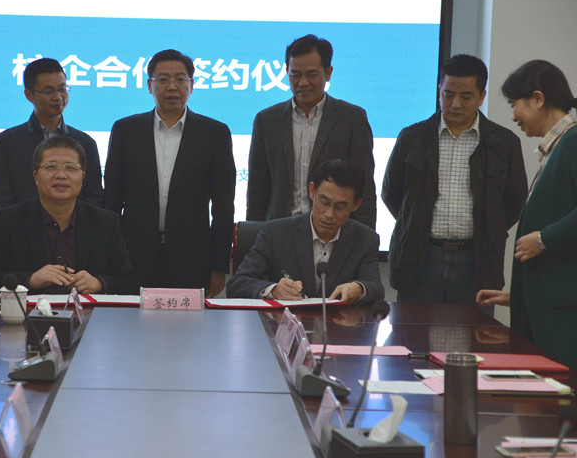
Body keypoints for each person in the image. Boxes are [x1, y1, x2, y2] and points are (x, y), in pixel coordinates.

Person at [382, 54, 527, 309]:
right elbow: (391, 193)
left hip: (477, 260)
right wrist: (416, 223)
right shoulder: (412, 137)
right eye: (448, 94)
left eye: (466, 96)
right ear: (439, 90)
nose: (455, 104)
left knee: (475, 332)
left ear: (481, 96)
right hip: (421, 258)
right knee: (414, 331)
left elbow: (515, 201)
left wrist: (488, 228)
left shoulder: (504, 143)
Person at [103, 49, 236, 297]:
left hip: (192, 259)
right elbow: (112, 199)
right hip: (132, 257)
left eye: (180, 79)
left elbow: (223, 206)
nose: (172, 86)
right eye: (163, 79)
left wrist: (219, 266)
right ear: (149, 85)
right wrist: (108, 257)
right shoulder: (126, 130)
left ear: (191, 85)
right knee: (130, 321)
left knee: (187, 322)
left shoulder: (214, 134)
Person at [477, 60, 577, 369]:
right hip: (544, 305)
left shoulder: (573, 141)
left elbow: (549, 237)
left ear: (537, 99)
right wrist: (518, 295)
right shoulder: (558, 146)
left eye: (513, 104)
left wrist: (545, 239)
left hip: (561, 318)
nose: (513, 116)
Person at [0, 136, 138, 294]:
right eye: (51, 167)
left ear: (82, 177)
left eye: (71, 168)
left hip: (88, 315)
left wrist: (99, 283)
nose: (61, 175)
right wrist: (30, 280)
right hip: (29, 315)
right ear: (36, 177)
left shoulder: (105, 222)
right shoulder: (9, 221)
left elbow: (129, 282)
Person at [246, 34, 376, 228]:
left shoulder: (352, 119)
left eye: (311, 75)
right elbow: (257, 190)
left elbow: (364, 188)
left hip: (334, 233)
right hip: (279, 233)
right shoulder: (267, 121)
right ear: (286, 71)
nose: (303, 82)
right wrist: (255, 236)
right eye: (295, 74)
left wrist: (364, 238)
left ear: (328, 73)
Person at [227, 159, 383, 304]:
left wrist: (359, 288)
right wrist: (274, 290)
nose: (329, 214)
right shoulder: (275, 233)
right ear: (312, 191)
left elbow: (375, 287)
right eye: (324, 202)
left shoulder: (365, 239)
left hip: (338, 323)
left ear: (356, 204)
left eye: (340, 207)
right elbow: (237, 284)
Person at [0, 58, 103, 210]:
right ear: (29, 95)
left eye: (62, 89)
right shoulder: (7, 142)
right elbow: (2, 199)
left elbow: (93, 198)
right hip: (21, 224)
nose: (58, 97)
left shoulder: (85, 143)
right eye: (49, 91)